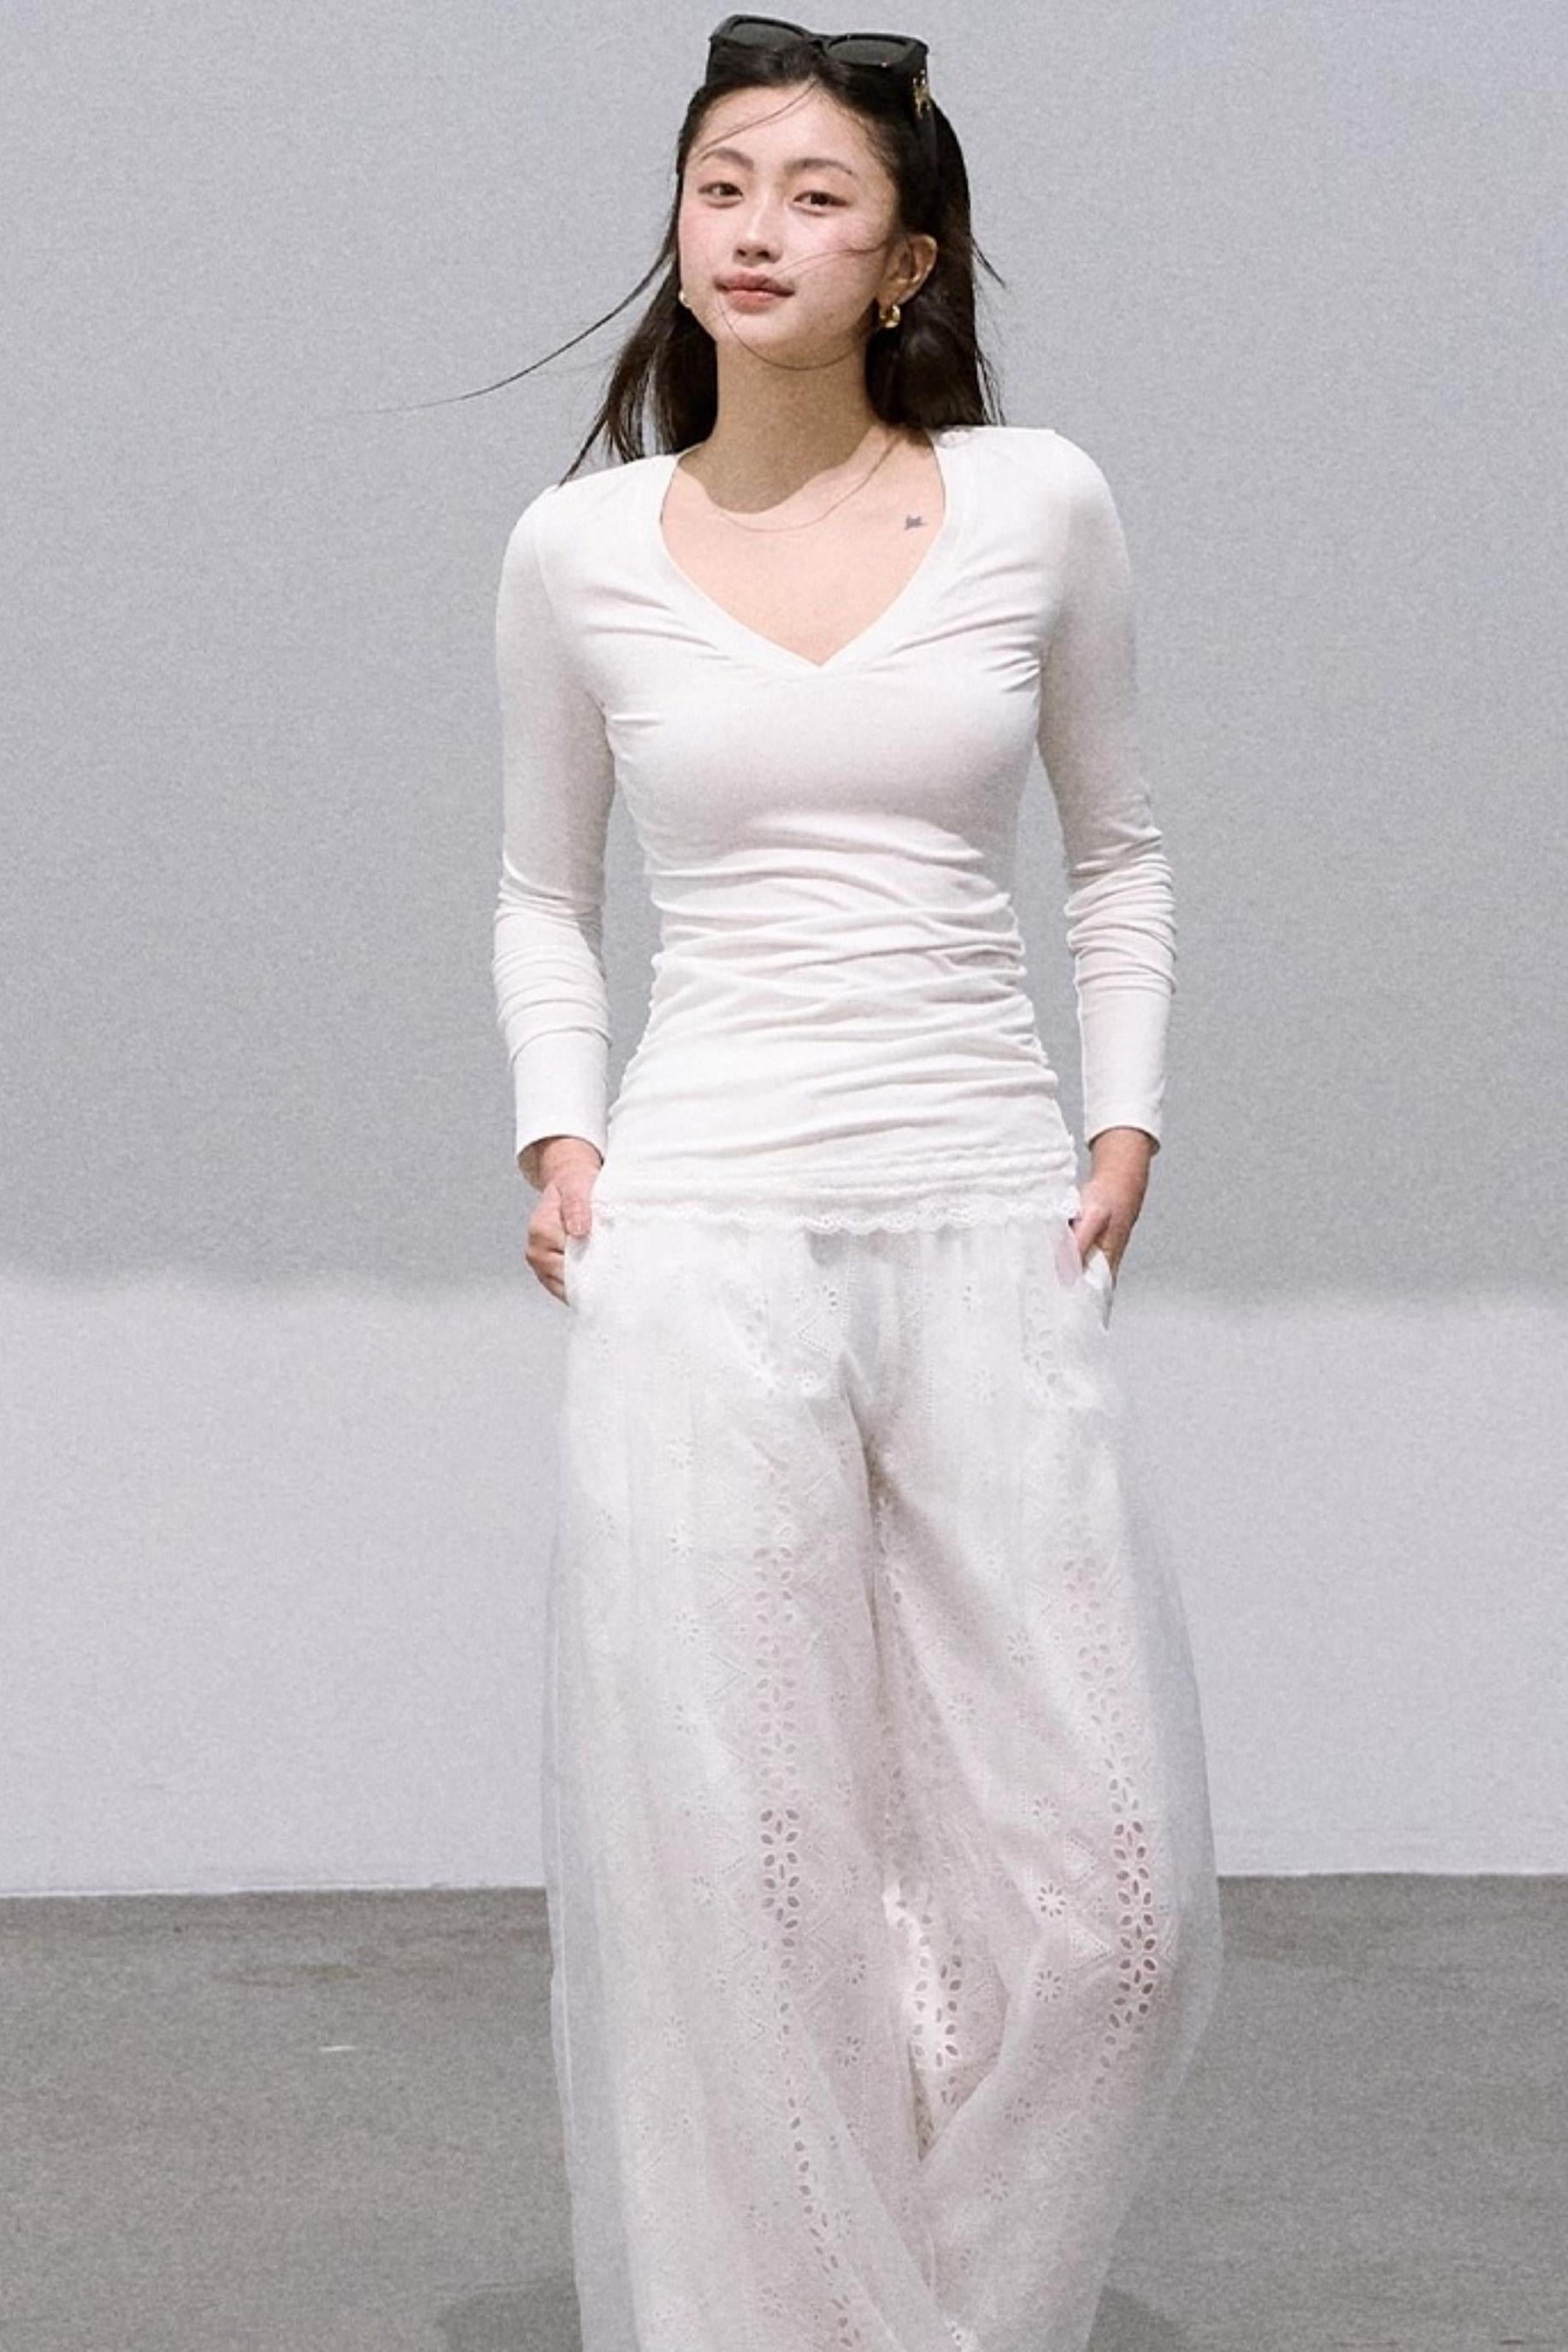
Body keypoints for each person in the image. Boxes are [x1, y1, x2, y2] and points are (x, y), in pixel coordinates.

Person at [490, 20, 1223, 2351]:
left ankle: (941, 2325)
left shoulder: (1035, 504)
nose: (757, 232)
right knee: (751, 1886)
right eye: (723, 183)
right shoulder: (580, 547)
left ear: (907, 258)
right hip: (701, 1237)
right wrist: (562, 1133)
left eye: (818, 196)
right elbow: (541, 893)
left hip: (983, 1212)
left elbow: (1117, 851)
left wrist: (1123, 1120)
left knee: (1110, 1909)